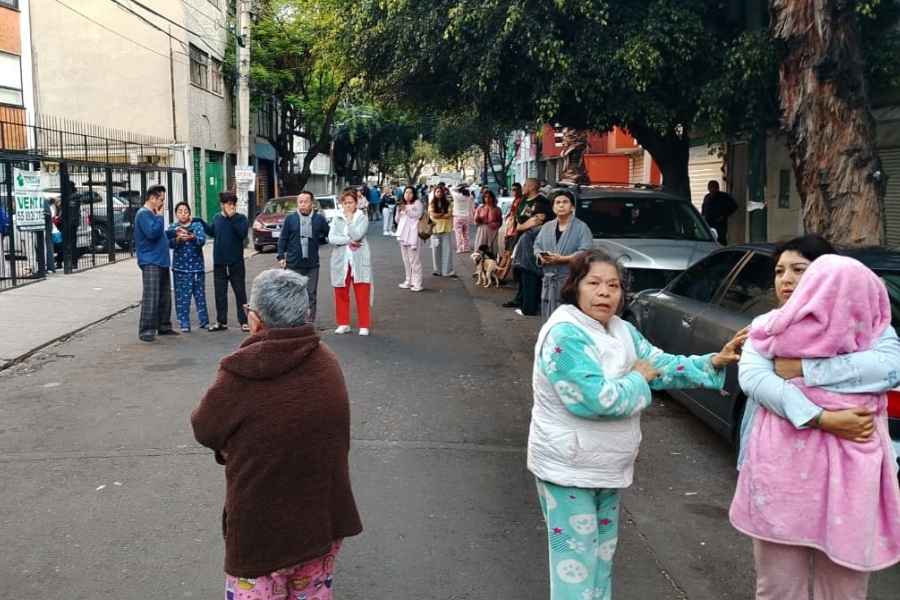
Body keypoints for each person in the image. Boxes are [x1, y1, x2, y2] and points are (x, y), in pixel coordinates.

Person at [530, 249, 745, 600]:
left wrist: (712, 361)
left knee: (599, 561)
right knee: (575, 569)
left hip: (606, 466)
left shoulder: (621, 330)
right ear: (575, 287)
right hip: (567, 468)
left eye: (613, 285)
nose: (604, 293)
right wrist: (637, 380)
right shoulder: (564, 335)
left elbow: (659, 364)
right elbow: (594, 400)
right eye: (594, 283)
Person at [729, 234, 900, 600]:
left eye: (799, 270)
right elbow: (755, 380)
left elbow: (889, 368)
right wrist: (821, 417)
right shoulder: (768, 325)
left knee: (844, 588)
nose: (785, 279)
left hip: (852, 481)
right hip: (782, 475)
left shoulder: (872, 327)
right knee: (778, 587)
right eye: (779, 271)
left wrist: (805, 368)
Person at [191, 268, 363, 600]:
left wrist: (232, 449)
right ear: (305, 314)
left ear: (255, 320)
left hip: (261, 533)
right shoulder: (327, 362)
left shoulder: (239, 373)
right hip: (320, 522)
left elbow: (205, 427)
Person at [534, 191, 593, 322]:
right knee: (549, 319)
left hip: (569, 282)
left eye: (565, 202)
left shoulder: (581, 228)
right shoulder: (546, 227)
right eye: (558, 202)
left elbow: (586, 251)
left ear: (572, 207)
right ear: (553, 207)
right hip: (549, 282)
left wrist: (564, 259)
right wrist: (540, 257)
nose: (561, 205)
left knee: (569, 319)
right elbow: (537, 246)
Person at [277, 191, 330, 323]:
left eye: (305, 202)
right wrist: (281, 257)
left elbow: (330, 234)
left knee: (311, 294)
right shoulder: (291, 219)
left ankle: (310, 321)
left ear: (311, 203)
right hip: (293, 263)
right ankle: (294, 321)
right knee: (293, 293)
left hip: (312, 264)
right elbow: (283, 239)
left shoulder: (319, 219)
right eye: (300, 202)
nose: (302, 205)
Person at [134, 185, 177, 342]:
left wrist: (174, 234)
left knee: (164, 296)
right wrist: (159, 217)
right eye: (161, 199)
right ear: (152, 198)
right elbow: (152, 233)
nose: (162, 203)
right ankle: (146, 330)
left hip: (161, 260)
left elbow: (160, 234)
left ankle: (164, 325)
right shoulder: (144, 214)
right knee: (151, 296)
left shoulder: (151, 214)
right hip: (150, 260)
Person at [328, 188, 372, 335]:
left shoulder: (362, 217)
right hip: (341, 261)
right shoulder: (336, 218)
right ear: (342, 203)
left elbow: (358, 235)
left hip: (359, 260)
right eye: (345, 203)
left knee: (362, 292)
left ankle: (364, 325)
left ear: (356, 203)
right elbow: (331, 238)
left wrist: (349, 220)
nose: (348, 205)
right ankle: (343, 323)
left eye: (351, 202)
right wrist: (348, 241)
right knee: (341, 292)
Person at [508, 178, 552, 316]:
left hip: (533, 240)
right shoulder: (524, 200)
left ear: (532, 186)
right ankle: (520, 298)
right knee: (520, 270)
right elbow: (520, 218)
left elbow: (535, 221)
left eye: (526, 184)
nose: (523, 187)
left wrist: (522, 225)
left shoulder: (541, 202)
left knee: (530, 270)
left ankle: (531, 303)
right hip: (521, 237)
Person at [207, 192, 250, 333]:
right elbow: (212, 232)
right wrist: (199, 222)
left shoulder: (241, 218)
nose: (231, 206)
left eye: (233, 204)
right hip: (219, 263)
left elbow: (242, 233)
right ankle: (221, 321)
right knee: (220, 293)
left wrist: (232, 218)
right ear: (222, 205)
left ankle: (244, 321)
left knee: (240, 292)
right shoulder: (217, 218)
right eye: (228, 204)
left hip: (235, 262)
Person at [167, 202, 209, 332]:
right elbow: (169, 244)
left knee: (200, 295)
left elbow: (202, 240)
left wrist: (193, 237)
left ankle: (204, 321)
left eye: (185, 211)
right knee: (181, 297)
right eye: (180, 211)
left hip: (197, 268)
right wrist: (178, 239)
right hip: (180, 268)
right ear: (176, 214)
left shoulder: (197, 225)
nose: (183, 213)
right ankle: (184, 322)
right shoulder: (173, 228)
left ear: (189, 213)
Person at [395, 185, 424, 292]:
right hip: (402, 235)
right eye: (406, 192)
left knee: (414, 260)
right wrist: (398, 210)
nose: (408, 195)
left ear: (414, 194)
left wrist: (406, 209)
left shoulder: (417, 203)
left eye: (410, 192)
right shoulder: (402, 205)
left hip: (413, 235)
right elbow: (397, 220)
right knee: (406, 260)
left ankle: (417, 283)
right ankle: (409, 280)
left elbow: (417, 215)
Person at [429, 185, 455, 277]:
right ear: (434, 193)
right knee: (435, 251)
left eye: (440, 192)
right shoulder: (432, 203)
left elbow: (449, 215)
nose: (439, 193)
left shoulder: (448, 203)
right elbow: (432, 215)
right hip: (435, 230)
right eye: (437, 192)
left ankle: (447, 271)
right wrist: (443, 214)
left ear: (443, 193)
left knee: (447, 251)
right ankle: (437, 270)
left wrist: (439, 215)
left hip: (446, 229)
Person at [701, 180, 737, 245]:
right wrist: (703, 218)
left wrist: (724, 216)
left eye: (713, 187)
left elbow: (734, 206)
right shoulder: (707, 197)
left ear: (717, 188)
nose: (712, 189)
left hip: (719, 224)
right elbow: (703, 209)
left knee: (721, 241)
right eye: (710, 187)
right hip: (708, 223)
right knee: (709, 241)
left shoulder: (724, 196)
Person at [473, 189, 503, 256]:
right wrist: (478, 220)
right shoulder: (480, 208)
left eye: (489, 197)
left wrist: (493, 224)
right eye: (485, 197)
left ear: (493, 198)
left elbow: (500, 222)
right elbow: (475, 221)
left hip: (493, 232)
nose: (487, 199)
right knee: (480, 251)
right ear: (483, 198)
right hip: (482, 232)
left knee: (492, 251)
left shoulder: (497, 209)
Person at [451, 186, 474, 254]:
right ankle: (466, 247)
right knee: (466, 233)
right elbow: (470, 191)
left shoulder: (456, 196)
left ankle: (460, 248)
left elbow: (451, 189)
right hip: (466, 217)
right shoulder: (469, 197)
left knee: (458, 233)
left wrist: (458, 187)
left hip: (457, 216)